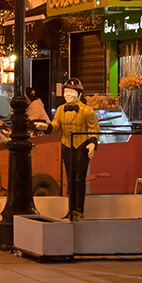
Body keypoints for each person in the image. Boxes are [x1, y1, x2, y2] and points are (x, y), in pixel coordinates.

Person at [38, 79, 99, 221]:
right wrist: (45, 127)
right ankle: (71, 210)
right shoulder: (60, 110)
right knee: (70, 179)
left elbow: (95, 129)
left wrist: (92, 144)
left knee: (79, 179)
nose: (68, 95)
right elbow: (56, 128)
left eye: (71, 92)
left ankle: (79, 211)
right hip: (66, 146)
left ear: (79, 94)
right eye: (66, 92)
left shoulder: (87, 111)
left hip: (81, 147)